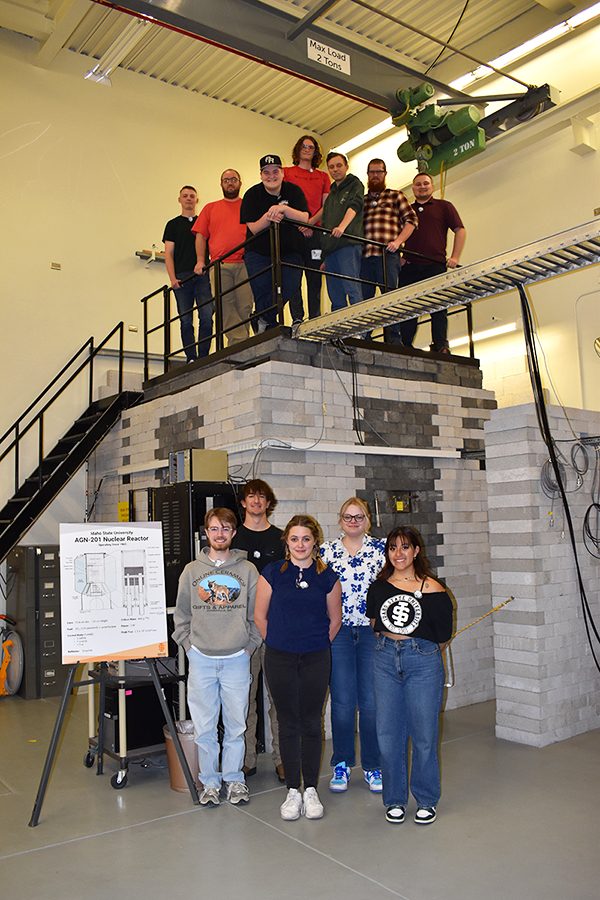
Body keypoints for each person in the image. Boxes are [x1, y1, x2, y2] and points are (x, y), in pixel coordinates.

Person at [254, 515, 342, 821]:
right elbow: (260, 616)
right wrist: (280, 642)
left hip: (316, 657)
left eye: (306, 539)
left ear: (315, 541)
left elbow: (335, 620)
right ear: (287, 542)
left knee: (312, 722)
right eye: (294, 539)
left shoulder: (327, 576)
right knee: (287, 722)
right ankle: (293, 789)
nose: (300, 544)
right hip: (280, 657)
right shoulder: (272, 573)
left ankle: (311, 790)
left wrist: (314, 644)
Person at [172, 507, 261, 807]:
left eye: (225, 528)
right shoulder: (191, 571)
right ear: (206, 533)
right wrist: (189, 647)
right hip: (201, 659)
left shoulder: (248, 570)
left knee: (237, 725)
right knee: (204, 727)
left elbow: (257, 615)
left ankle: (234, 779)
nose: (219, 534)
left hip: (238, 658)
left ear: (233, 533)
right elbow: (181, 614)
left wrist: (250, 646)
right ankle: (209, 783)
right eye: (214, 528)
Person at [366, 525, 453, 825]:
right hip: (384, 660)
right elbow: (376, 624)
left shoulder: (434, 589)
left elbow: (443, 635)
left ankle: (426, 799)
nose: (398, 553)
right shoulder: (378, 587)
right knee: (388, 733)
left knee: (425, 734)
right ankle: (394, 799)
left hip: (423, 662)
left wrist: (417, 650)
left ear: (416, 550)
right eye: (392, 548)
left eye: (405, 547)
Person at [320, 498, 385, 794]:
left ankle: (373, 765)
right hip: (339, 632)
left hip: (372, 632)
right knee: (343, 703)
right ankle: (342, 763)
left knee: (371, 703)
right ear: (340, 519)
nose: (354, 521)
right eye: (348, 516)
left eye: (359, 516)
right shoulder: (327, 551)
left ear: (367, 519)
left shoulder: (381, 550)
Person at [230, 479, 285, 782]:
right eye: (251, 496)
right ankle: (246, 759)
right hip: (242, 630)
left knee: (279, 699)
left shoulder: (281, 538)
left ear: (268, 503)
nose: (256, 501)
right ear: (243, 502)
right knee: (243, 699)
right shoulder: (233, 538)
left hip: (276, 628)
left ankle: (282, 759)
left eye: (261, 497)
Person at [397, 173, 466, 352]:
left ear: (432, 186)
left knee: (438, 306)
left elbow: (460, 230)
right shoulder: (406, 210)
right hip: (409, 266)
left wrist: (455, 257)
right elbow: (393, 234)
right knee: (408, 307)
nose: (422, 187)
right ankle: (405, 345)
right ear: (413, 189)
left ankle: (440, 344)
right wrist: (399, 257)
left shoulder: (444, 206)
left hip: (435, 265)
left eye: (425, 183)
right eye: (418, 184)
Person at [240, 155, 309, 332]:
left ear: (282, 173)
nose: (271, 176)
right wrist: (269, 216)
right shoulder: (252, 195)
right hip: (258, 252)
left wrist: (283, 209)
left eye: (275, 171)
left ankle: (261, 317)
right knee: (262, 290)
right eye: (266, 172)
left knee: (291, 284)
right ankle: (267, 325)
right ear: (261, 175)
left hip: (290, 250)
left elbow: (304, 217)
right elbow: (254, 228)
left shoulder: (294, 191)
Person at [192, 169, 254, 345]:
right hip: (220, 265)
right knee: (224, 304)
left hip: (246, 263)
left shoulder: (248, 206)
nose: (230, 183)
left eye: (233, 179)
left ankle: (237, 345)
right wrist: (200, 261)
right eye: (226, 180)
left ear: (240, 183)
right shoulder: (210, 208)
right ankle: (241, 341)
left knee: (245, 306)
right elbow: (200, 236)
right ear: (221, 184)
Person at [162, 185, 214, 362]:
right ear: (179, 200)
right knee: (186, 320)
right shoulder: (173, 225)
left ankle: (204, 356)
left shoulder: (203, 222)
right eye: (185, 196)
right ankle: (191, 357)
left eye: (192, 196)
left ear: (197, 200)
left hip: (202, 276)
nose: (189, 199)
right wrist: (172, 278)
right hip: (182, 277)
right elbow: (168, 254)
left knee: (206, 316)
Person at [283, 136, 331, 322]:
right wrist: (299, 224)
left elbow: (326, 206)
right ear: (298, 149)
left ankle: (315, 317)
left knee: (314, 277)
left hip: (314, 232)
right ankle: (297, 317)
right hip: (292, 231)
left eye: (311, 147)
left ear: (315, 152)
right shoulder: (287, 172)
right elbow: (283, 202)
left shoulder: (323, 176)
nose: (307, 149)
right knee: (292, 276)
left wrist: (309, 223)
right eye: (304, 146)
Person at [361, 159, 417, 301]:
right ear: (367, 174)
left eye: (379, 172)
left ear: (385, 174)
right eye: (372, 172)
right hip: (364, 257)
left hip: (387, 255)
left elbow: (412, 221)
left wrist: (397, 242)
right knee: (363, 302)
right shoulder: (361, 201)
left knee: (390, 300)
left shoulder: (396, 196)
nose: (375, 175)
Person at [320, 152, 364, 311]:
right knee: (335, 295)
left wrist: (342, 227)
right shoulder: (331, 195)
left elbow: (355, 205)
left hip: (347, 244)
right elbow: (324, 223)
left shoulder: (355, 184)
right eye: (331, 167)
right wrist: (324, 256)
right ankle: (339, 328)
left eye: (339, 165)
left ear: (346, 166)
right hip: (331, 250)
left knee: (352, 288)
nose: (335, 169)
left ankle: (360, 325)